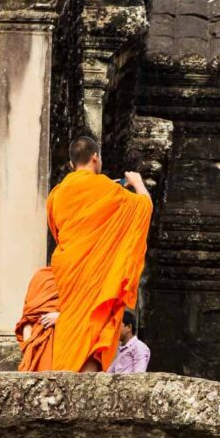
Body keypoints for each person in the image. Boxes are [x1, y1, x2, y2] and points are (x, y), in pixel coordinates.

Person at [47, 136, 153, 373]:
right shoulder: (108, 189)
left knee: (73, 326)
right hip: (95, 274)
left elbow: (57, 230)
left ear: (73, 164)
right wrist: (137, 184)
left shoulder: (57, 194)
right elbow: (144, 208)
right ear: (95, 157)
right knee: (94, 328)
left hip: (70, 269)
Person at [15, 266, 60, 372]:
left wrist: (61, 317)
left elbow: (84, 314)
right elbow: (28, 317)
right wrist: (28, 348)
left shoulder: (77, 279)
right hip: (37, 340)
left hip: (66, 339)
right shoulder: (41, 276)